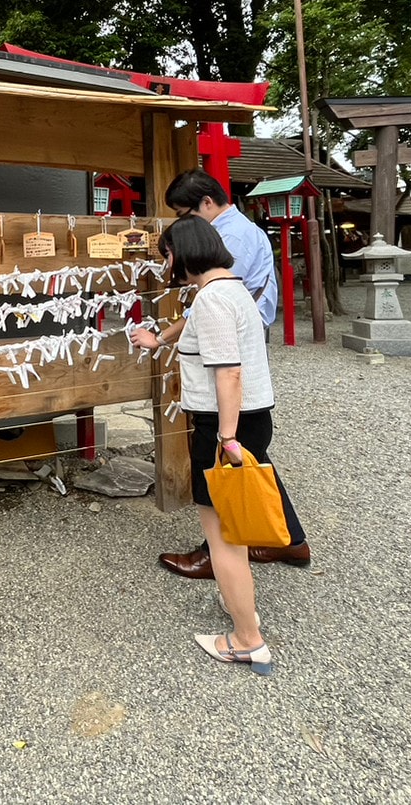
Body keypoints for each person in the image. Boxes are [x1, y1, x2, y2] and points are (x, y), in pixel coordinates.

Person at [131, 216, 279, 673]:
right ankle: (242, 610)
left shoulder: (213, 301)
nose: (167, 263)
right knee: (230, 529)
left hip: (225, 426)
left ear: (184, 253)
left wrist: (227, 440)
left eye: (168, 255)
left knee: (223, 539)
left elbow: (227, 372)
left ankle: (246, 639)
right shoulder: (232, 291)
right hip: (250, 418)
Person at [157, 170, 310, 578]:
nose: (185, 225)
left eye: (185, 213)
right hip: (247, 357)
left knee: (223, 471)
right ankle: (288, 539)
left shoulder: (228, 246)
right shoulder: (245, 231)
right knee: (252, 460)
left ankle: (220, 555)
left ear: (207, 203)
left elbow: (219, 340)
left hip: (231, 365)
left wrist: (225, 434)